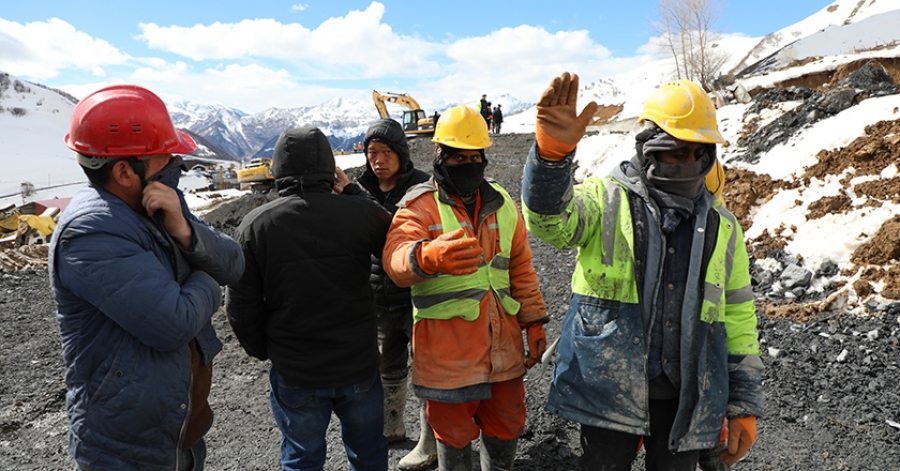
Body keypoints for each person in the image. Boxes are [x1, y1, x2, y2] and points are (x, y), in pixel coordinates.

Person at [521, 73, 763, 471]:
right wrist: (550, 158)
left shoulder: (724, 227)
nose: (684, 162)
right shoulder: (605, 198)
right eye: (672, 151)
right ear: (647, 148)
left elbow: (738, 318)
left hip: (687, 396)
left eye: (694, 152)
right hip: (606, 388)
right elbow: (550, 222)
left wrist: (744, 405)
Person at [49, 84, 245, 471]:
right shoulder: (91, 233)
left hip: (177, 437)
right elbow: (174, 322)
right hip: (126, 454)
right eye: (165, 158)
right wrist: (208, 277)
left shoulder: (155, 200)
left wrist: (187, 234)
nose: (175, 165)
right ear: (124, 171)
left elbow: (235, 264)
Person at [382, 105, 549, 471]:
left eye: (475, 156)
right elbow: (395, 258)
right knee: (453, 436)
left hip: (502, 351)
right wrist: (426, 257)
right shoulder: (418, 206)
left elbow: (520, 268)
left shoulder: (502, 203)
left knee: (506, 427)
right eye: (459, 156)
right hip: (448, 358)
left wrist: (534, 321)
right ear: (440, 155)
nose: (468, 163)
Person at [225, 126, 391, 471]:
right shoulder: (360, 213)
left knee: (302, 459)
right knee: (369, 453)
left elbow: (241, 305)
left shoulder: (255, 225)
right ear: (330, 167)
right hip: (357, 363)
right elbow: (396, 237)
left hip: (296, 369)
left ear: (279, 167)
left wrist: (263, 349)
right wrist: (355, 191)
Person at [336, 118, 437, 470]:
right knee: (386, 365)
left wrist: (353, 195)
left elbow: (392, 228)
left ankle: (430, 442)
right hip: (376, 296)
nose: (378, 159)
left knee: (428, 370)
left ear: (401, 153)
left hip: (416, 294)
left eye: (386, 152)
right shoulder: (358, 185)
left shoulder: (422, 187)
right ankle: (391, 426)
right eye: (371, 152)